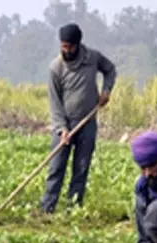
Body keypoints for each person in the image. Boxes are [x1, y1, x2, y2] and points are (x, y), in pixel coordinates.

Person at [40, 23, 117, 213]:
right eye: (63, 46)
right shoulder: (56, 68)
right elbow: (54, 102)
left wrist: (106, 90)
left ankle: (72, 209)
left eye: (69, 47)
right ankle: (47, 209)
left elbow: (110, 70)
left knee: (81, 168)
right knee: (56, 168)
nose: (66, 50)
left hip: (87, 122)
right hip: (64, 124)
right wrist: (62, 128)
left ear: (78, 45)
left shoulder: (92, 57)